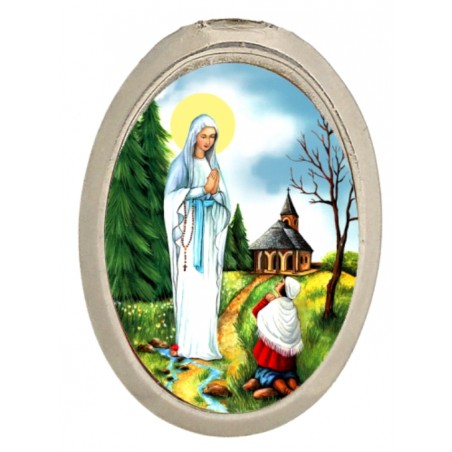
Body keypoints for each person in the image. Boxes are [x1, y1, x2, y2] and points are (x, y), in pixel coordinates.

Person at [164, 114, 231, 360]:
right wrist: (202, 190)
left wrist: (213, 195)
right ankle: (188, 345)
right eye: (204, 136)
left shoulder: (213, 167)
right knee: (191, 285)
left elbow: (224, 202)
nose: (208, 141)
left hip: (208, 235)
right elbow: (171, 200)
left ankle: (205, 345)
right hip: (190, 237)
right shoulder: (180, 165)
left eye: (212, 137)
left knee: (207, 288)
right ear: (194, 136)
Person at [243, 277, 304, 398]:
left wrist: (265, 300)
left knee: (270, 375)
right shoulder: (291, 307)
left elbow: (257, 313)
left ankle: (287, 392)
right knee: (289, 375)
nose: (278, 282)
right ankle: (295, 387)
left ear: (285, 289)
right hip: (287, 359)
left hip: (271, 356)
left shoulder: (275, 304)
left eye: (281, 282)